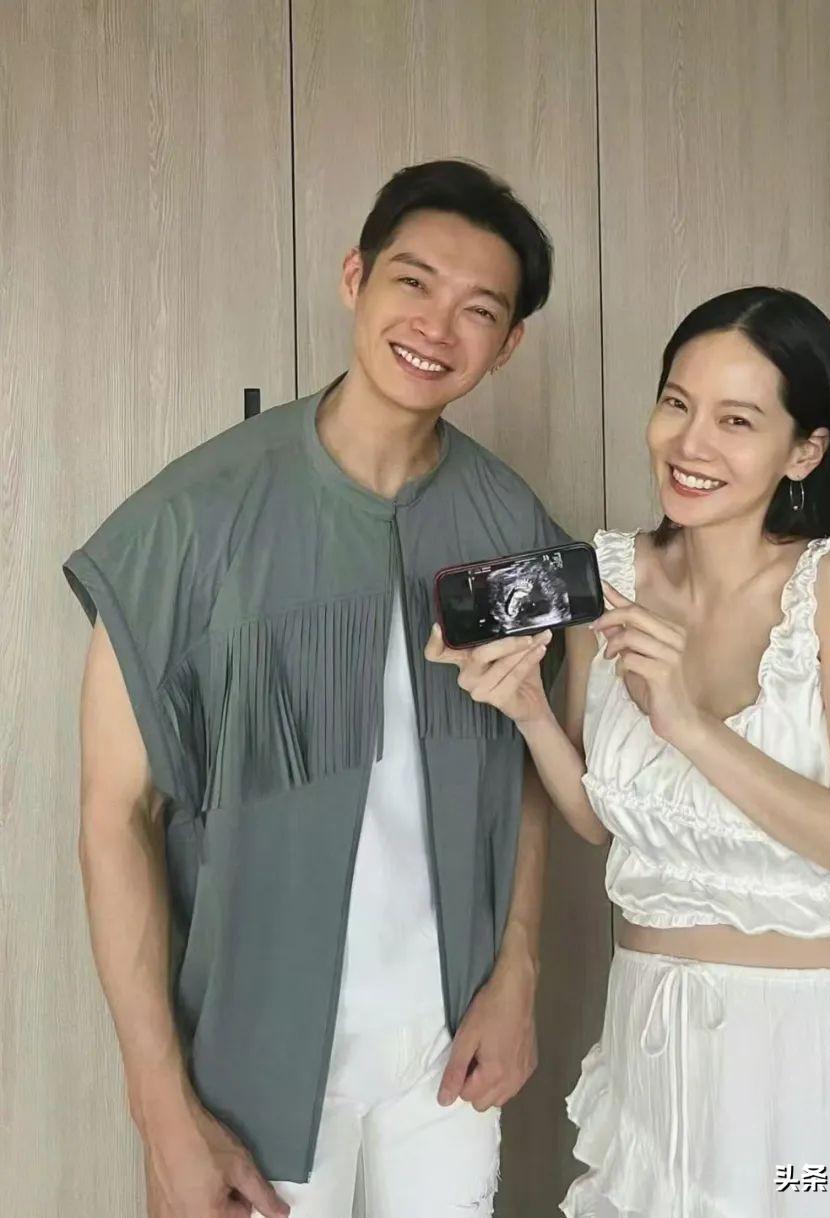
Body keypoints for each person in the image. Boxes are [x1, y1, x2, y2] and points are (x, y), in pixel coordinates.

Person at [65, 159, 569, 1218]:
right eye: (413, 282)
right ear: (354, 278)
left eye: (479, 309)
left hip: (448, 1058)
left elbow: (527, 764)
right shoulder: (190, 520)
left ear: (509, 343)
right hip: (252, 1067)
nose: (437, 326)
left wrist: (517, 972)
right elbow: (115, 818)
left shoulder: (509, 525)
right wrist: (162, 1108)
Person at [427, 286, 830, 1215]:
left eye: (737, 420)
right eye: (677, 402)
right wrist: (530, 712)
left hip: (814, 1057)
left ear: (804, 451)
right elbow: (604, 820)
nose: (690, 442)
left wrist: (688, 723)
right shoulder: (611, 574)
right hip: (652, 1044)